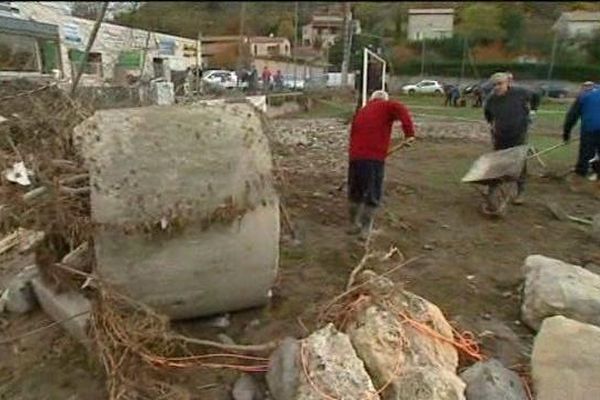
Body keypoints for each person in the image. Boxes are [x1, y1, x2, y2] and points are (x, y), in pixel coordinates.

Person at [347, 90, 416, 240]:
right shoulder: (387, 105)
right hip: (373, 157)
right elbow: (401, 109)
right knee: (372, 193)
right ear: (383, 99)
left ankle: (353, 224)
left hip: (355, 157)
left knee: (356, 191)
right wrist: (409, 134)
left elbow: (353, 134)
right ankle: (365, 230)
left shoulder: (362, 111)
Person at [484, 72, 541, 205]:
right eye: (494, 85)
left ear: (507, 83)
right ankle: (493, 188)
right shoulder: (491, 99)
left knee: (519, 162)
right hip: (500, 135)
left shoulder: (520, 92)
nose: (497, 87)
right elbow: (488, 114)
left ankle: (520, 191)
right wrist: (492, 125)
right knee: (497, 161)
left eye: (500, 84)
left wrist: (533, 111)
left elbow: (536, 96)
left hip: (518, 133)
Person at [563, 82, 600, 183]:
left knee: (586, 154)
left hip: (590, 128)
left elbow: (571, 117)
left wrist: (566, 135)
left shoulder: (584, 96)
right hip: (592, 127)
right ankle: (596, 175)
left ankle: (579, 178)